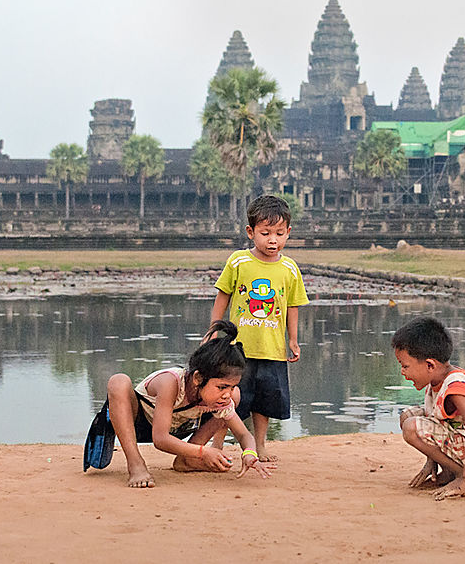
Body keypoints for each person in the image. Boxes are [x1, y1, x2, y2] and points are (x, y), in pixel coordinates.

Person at [84, 320, 274, 487]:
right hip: (142, 423)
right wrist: (203, 452)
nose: (226, 394)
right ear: (198, 378)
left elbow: (243, 434)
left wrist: (249, 454)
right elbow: (160, 439)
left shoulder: (219, 398)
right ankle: (136, 464)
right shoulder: (171, 383)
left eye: (231, 387)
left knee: (236, 397)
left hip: (181, 427)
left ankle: (186, 460)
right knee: (118, 381)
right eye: (222, 387)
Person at [210, 195, 309, 461]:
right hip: (238, 348)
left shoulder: (290, 269)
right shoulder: (239, 261)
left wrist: (294, 340)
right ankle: (217, 443)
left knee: (263, 401)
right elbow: (223, 295)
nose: (272, 240)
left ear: (288, 232)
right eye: (265, 233)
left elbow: (293, 306)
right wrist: (214, 332)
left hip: (272, 348)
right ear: (251, 232)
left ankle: (260, 444)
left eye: (279, 233)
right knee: (228, 397)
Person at [392, 317, 465, 500]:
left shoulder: (455, 387)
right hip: (463, 438)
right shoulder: (437, 378)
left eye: (405, 366)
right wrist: (431, 460)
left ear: (430, 365)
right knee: (407, 416)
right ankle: (448, 471)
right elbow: (435, 418)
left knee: (411, 427)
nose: (402, 372)